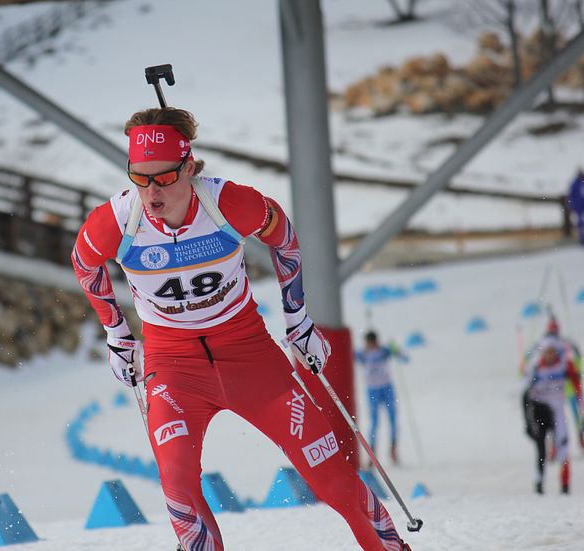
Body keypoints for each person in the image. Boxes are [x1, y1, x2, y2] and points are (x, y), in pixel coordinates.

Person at [72, 107, 412, 550]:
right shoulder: (118, 220)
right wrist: (117, 335)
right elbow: (84, 263)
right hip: (173, 366)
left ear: (189, 167)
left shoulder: (228, 203)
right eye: (140, 177)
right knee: (176, 479)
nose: (152, 192)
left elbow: (284, 237)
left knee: (334, 480)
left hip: (250, 357)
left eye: (165, 178)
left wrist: (298, 319)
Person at [522, 336, 582, 494]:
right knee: (541, 448)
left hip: (558, 411)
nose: (549, 355)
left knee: (563, 446)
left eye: (552, 352)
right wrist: (528, 423)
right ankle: (539, 482)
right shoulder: (536, 367)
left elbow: (578, 388)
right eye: (546, 352)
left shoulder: (564, 365)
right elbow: (525, 395)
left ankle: (565, 485)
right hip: (540, 411)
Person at [354, 330, 409, 465]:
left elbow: (404, 358)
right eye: (368, 343)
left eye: (372, 343)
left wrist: (396, 349)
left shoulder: (384, 351)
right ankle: (372, 454)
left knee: (393, 420)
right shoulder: (362, 354)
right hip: (372, 391)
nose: (371, 345)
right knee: (374, 422)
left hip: (386, 389)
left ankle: (393, 451)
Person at [567, 169, 584, 245]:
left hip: (581, 204)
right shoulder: (575, 183)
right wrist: (571, 205)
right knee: (580, 222)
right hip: (578, 206)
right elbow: (571, 195)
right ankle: (581, 238)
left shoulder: (581, 182)